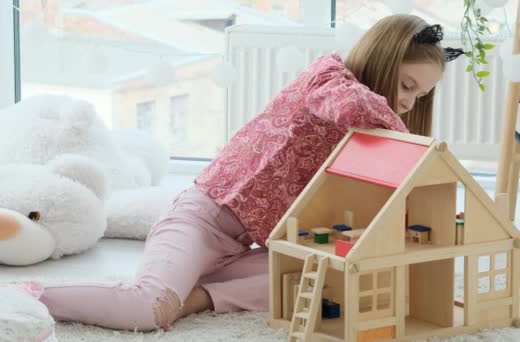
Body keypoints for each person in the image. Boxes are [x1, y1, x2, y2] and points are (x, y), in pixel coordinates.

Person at [37, 14, 463, 331]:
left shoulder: (369, 131)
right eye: (407, 86)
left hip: (253, 245)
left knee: (332, 277)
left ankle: (200, 297)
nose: (409, 103)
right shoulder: (329, 78)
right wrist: (411, 141)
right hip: (202, 220)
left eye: (420, 95)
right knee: (149, 309)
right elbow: (352, 106)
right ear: (382, 60)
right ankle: (32, 297)